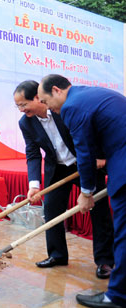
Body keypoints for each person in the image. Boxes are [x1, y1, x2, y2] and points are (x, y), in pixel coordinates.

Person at [38, 74, 126, 308]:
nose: (48, 108)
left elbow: (84, 153)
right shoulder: (89, 94)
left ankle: (118, 295)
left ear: (56, 90)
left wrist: (86, 192)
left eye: (45, 101)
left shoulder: (72, 107)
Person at [14, 80, 114, 278]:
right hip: (57, 168)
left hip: (85, 163)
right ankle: (57, 255)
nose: (21, 110)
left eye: (23, 104)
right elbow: (33, 153)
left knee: (98, 209)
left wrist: (101, 157)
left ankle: (105, 261)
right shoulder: (26, 123)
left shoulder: (64, 111)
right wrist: (34, 184)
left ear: (37, 97)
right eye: (17, 106)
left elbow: (90, 135)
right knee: (51, 209)